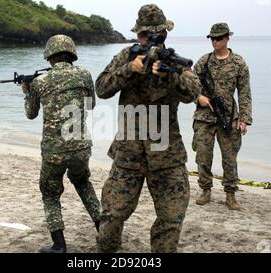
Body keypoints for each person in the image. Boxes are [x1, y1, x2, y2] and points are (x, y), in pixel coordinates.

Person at [95, 4, 203, 253]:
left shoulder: (173, 61)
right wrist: (128, 70)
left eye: (157, 35)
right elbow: (101, 88)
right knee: (111, 215)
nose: (150, 40)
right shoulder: (127, 56)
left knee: (171, 219)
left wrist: (170, 77)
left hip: (166, 153)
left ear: (165, 34)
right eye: (145, 35)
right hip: (128, 152)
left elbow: (193, 92)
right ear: (138, 35)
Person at [22, 34, 101, 253]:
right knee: (84, 184)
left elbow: (30, 114)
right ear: (72, 53)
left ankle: (59, 245)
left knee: (49, 193)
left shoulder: (41, 81)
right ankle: (104, 232)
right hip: (81, 146)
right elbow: (91, 105)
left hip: (54, 151)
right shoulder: (85, 75)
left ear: (50, 56)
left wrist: (27, 93)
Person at [192, 23, 252, 210]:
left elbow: (244, 93)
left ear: (227, 38)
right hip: (204, 117)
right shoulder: (203, 61)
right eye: (212, 38)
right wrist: (198, 97)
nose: (215, 41)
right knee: (203, 156)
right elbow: (190, 85)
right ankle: (205, 190)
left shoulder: (238, 63)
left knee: (229, 158)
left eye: (219, 38)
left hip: (228, 118)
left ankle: (230, 194)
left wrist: (244, 119)